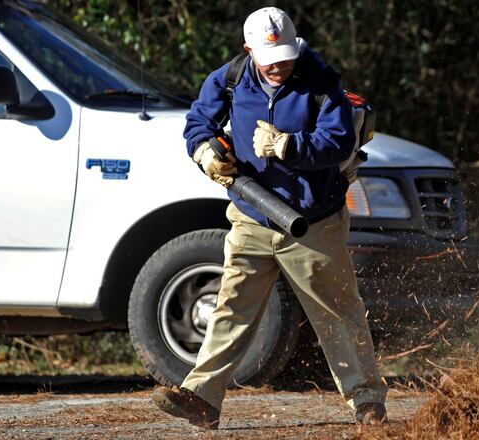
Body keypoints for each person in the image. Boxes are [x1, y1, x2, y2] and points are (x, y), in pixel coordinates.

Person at [151, 6, 387, 430]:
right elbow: (197, 123)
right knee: (231, 308)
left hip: (311, 222)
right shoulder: (230, 78)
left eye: (285, 56)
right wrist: (204, 151)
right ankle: (202, 399)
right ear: (249, 51)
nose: (278, 65)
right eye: (269, 58)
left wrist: (287, 147)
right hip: (251, 216)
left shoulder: (320, 82)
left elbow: (337, 142)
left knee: (337, 313)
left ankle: (367, 401)